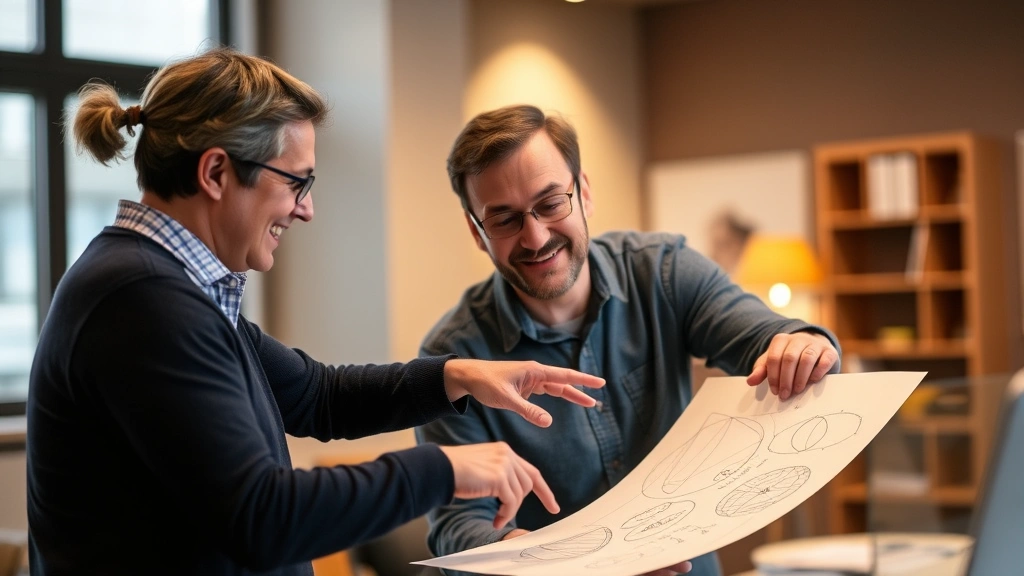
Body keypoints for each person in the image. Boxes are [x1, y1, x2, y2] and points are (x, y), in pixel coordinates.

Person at [26, 50, 606, 576]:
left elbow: (315, 396)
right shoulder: (142, 299)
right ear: (217, 173)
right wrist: (443, 469)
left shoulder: (170, 288)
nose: (307, 209)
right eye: (297, 183)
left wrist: (458, 377)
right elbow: (262, 517)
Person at [414, 104, 842, 575]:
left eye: (551, 203)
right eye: (504, 220)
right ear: (477, 233)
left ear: (585, 193)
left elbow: (764, 336)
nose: (535, 237)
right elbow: (458, 525)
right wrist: (537, 560)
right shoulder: (453, 359)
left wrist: (800, 343)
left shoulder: (662, 271)